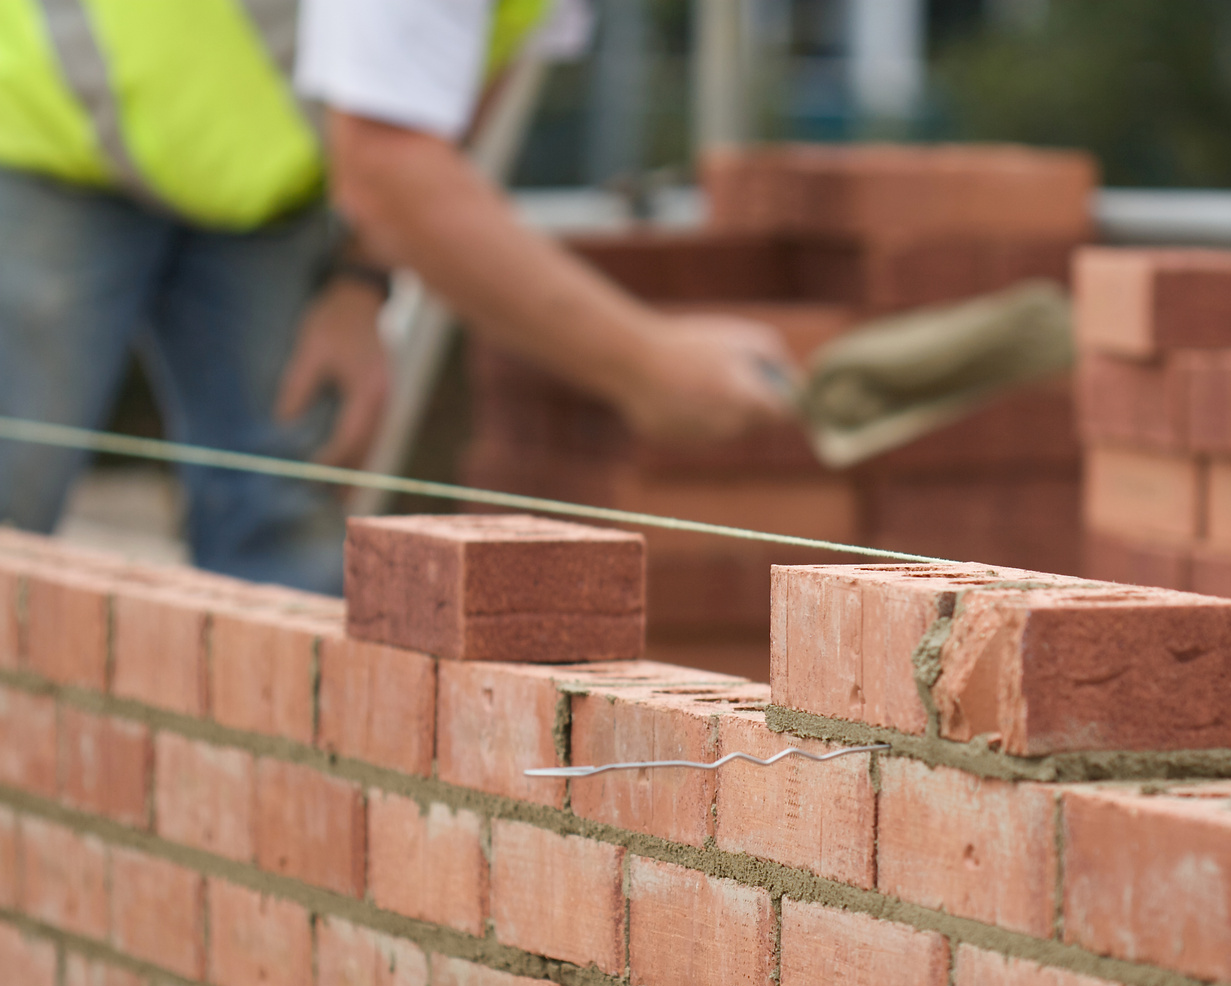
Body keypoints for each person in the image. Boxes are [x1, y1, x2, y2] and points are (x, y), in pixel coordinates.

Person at [0, 0, 793, 594]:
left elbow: (455, 84)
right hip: (48, 129)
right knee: (11, 494)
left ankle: (280, 784)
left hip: (265, 183)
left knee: (284, 514)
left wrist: (358, 281)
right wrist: (646, 365)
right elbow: (388, 168)